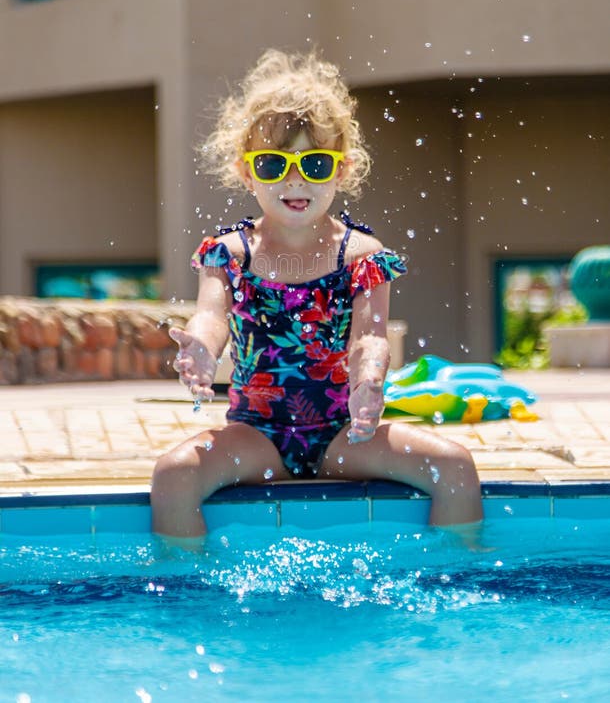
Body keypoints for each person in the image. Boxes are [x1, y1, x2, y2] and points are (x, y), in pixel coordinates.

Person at [151, 49, 482, 543]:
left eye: (316, 163)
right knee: (172, 475)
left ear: (342, 170)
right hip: (257, 435)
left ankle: (450, 588)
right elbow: (211, 317)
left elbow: (369, 337)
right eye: (272, 163)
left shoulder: (361, 255)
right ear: (247, 173)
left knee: (455, 468)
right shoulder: (229, 253)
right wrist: (200, 347)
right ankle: (190, 602)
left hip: (345, 435)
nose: (295, 178)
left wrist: (369, 379)